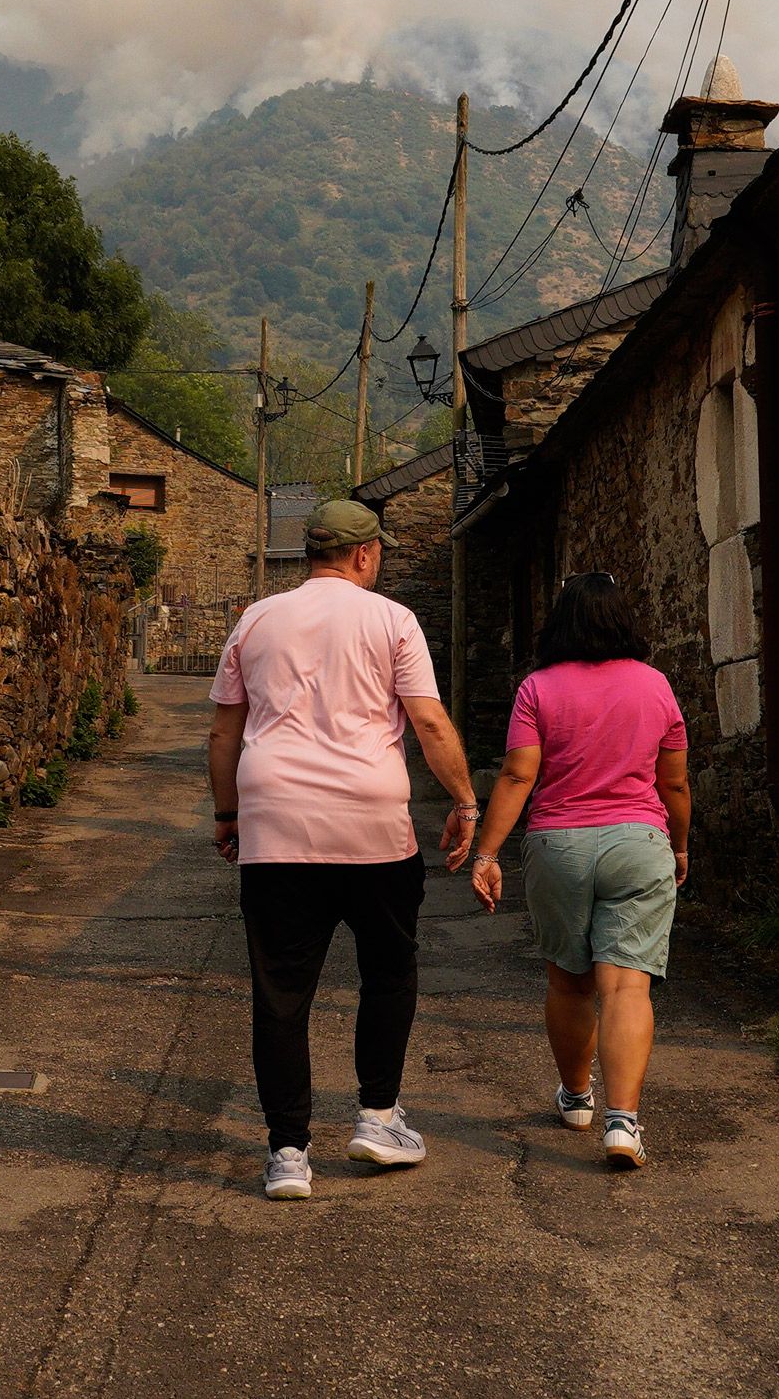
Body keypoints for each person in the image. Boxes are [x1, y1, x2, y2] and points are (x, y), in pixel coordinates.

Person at [209, 496, 478, 1201]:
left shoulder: (256, 619)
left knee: (281, 991)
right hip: (372, 826)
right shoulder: (393, 620)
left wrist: (228, 814)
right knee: (388, 971)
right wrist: (464, 801)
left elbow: (222, 734)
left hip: (277, 823)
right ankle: (377, 1117)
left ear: (311, 552)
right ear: (364, 555)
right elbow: (428, 720)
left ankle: (288, 1154)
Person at [464, 572, 689, 1172]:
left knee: (569, 982)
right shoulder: (656, 687)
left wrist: (486, 855)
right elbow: (674, 783)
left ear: (560, 622)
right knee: (626, 985)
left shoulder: (537, 688)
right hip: (640, 842)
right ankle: (623, 1123)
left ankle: (578, 1099)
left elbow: (517, 776)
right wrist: (682, 846)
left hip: (558, 845)